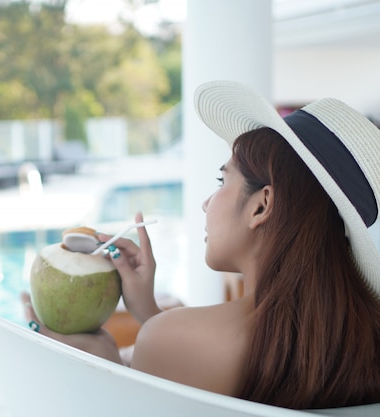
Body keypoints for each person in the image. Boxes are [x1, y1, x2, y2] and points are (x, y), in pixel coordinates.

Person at [23, 80, 380, 409]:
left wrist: (109, 371)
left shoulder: (170, 340)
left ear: (262, 205)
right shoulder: (362, 338)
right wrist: (148, 311)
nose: (207, 203)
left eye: (221, 179)